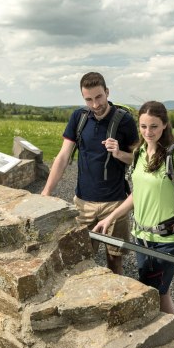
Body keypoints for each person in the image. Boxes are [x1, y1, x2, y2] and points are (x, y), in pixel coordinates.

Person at [93, 101, 174, 314]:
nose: (148, 132)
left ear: (165, 125)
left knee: (156, 290)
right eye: (144, 126)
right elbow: (137, 195)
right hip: (141, 237)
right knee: (156, 290)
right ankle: (169, 337)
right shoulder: (139, 153)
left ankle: (168, 338)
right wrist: (110, 218)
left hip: (166, 240)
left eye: (154, 126)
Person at [41, 72, 139, 275]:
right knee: (79, 260)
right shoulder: (79, 117)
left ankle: (116, 303)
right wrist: (46, 192)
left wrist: (119, 153)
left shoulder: (125, 120)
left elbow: (138, 161)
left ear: (107, 92)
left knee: (114, 260)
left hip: (115, 204)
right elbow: (62, 157)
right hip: (83, 204)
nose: (95, 104)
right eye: (89, 99)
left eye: (99, 97)